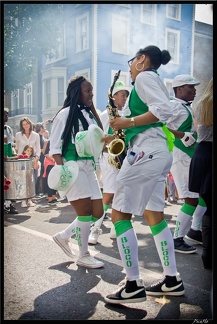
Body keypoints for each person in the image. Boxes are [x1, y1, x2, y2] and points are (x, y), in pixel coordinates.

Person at [103, 45, 184, 304]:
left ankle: (133, 283)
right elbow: (164, 117)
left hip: (146, 152)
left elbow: (164, 111)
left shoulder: (146, 77)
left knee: (119, 213)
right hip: (156, 151)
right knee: (154, 215)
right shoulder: (153, 80)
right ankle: (172, 279)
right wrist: (113, 134)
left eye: (131, 62)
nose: (129, 68)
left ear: (141, 59)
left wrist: (128, 122)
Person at [50, 75, 105, 269]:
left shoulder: (91, 114)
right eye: (88, 90)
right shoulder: (64, 114)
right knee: (84, 212)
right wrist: (64, 171)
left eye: (91, 90)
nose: (91, 94)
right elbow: (54, 147)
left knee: (98, 211)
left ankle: (63, 236)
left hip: (89, 167)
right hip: (72, 167)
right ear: (77, 93)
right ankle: (83, 255)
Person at [166, 75, 207, 254]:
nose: (195, 90)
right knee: (190, 199)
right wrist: (181, 135)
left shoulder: (183, 106)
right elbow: (160, 125)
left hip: (190, 156)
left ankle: (195, 231)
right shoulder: (174, 106)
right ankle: (177, 239)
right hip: (181, 157)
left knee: (202, 195)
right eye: (191, 87)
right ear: (179, 89)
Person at [88, 81, 131, 245]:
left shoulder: (126, 114)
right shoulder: (106, 115)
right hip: (109, 158)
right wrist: (111, 142)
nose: (125, 98)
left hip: (122, 159)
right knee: (109, 193)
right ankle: (95, 229)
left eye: (126, 95)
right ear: (113, 96)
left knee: (121, 193)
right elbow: (100, 138)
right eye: (122, 95)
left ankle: (115, 229)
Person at [188, 78, 213, 269]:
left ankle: (207, 254)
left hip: (202, 154)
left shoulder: (202, 103)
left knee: (209, 207)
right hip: (210, 153)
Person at [4, 107, 19, 215]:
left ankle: (11, 206)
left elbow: (11, 143)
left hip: (9, 159)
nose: (6, 116)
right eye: (5, 114)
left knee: (11, 182)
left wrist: (14, 152)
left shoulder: (8, 128)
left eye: (7, 114)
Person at [42, 140, 58, 205]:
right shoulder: (50, 141)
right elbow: (46, 153)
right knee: (51, 180)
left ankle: (53, 196)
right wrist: (54, 159)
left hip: (57, 163)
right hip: (50, 163)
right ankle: (50, 197)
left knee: (56, 180)